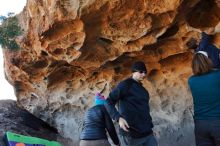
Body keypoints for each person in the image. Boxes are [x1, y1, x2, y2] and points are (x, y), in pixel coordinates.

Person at [104, 61, 158, 146]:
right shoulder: (125, 85)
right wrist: (118, 118)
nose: (144, 74)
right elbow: (108, 101)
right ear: (133, 72)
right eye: (141, 72)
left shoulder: (143, 90)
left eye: (145, 72)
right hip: (130, 133)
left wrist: (150, 128)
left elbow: (145, 110)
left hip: (147, 133)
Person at [188, 51, 220, 146]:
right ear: (208, 61)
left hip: (200, 125)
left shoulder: (191, 80)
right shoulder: (218, 75)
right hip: (217, 122)